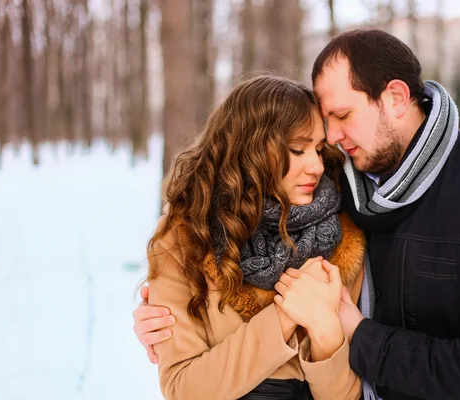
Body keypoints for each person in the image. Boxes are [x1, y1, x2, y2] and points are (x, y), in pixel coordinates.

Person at [136, 29, 460, 400]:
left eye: (341, 117)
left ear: (394, 97)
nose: (331, 145)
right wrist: (163, 315)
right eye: (322, 131)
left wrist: (351, 333)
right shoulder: (345, 193)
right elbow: (186, 375)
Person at [141, 75, 366, 400]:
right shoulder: (185, 238)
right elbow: (182, 389)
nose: (316, 165)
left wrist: (325, 330)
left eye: (318, 149)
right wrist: (283, 317)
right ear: (251, 150)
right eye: (298, 149)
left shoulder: (343, 238)